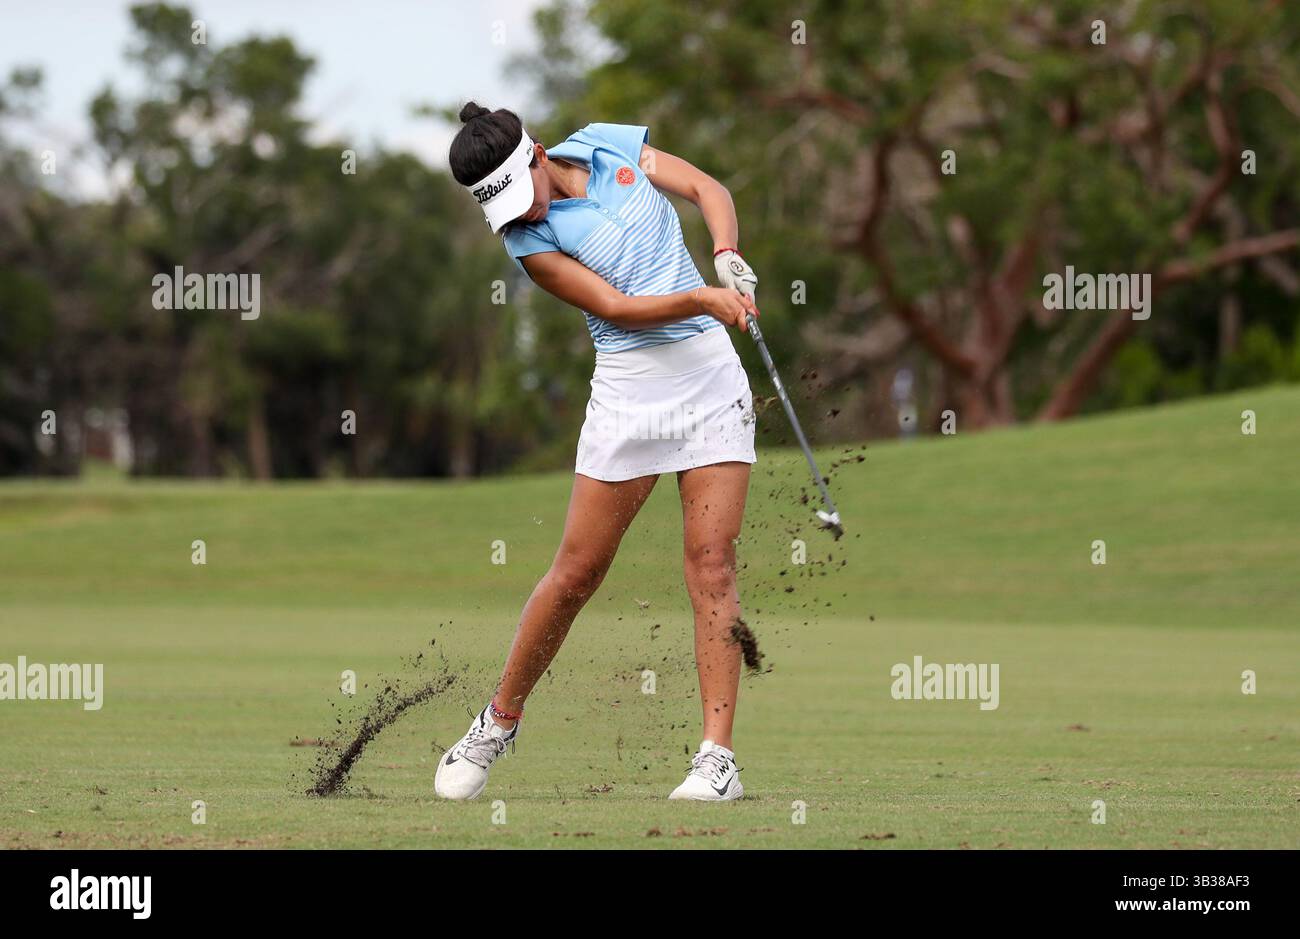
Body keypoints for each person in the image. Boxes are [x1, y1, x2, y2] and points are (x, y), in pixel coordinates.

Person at [436, 102, 760, 802]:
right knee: (577, 572)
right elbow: (615, 308)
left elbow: (706, 188)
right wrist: (704, 299)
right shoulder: (528, 243)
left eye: (521, 195)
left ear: (537, 153)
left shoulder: (608, 147)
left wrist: (726, 255)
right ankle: (498, 720)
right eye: (503, 211)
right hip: (630, 391)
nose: (521, 215)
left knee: (711, 565)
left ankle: (717, 758)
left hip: (709, 379)